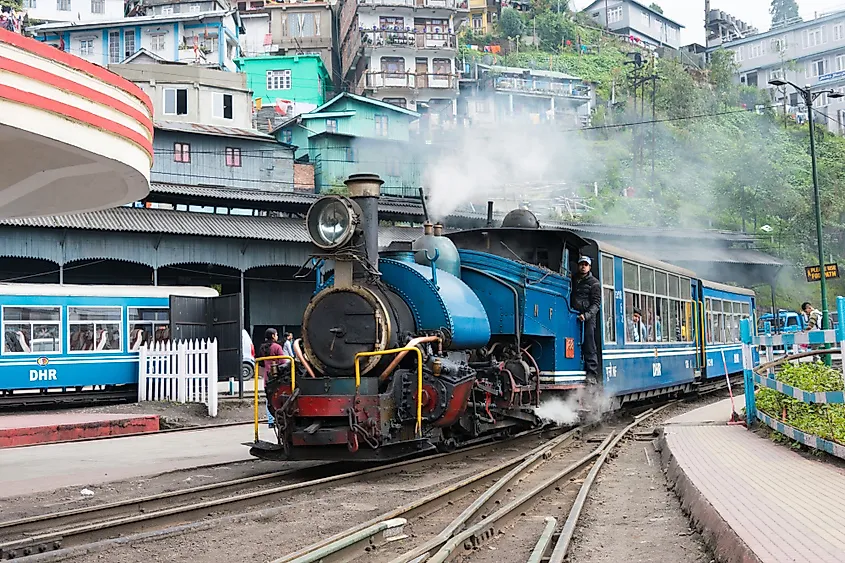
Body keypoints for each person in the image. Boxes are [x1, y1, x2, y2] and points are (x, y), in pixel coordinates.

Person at [571, 256, 601, 383]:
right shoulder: (573, 279)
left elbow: (596, 304)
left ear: (589, 267)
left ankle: (592, 374)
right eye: (581, 264)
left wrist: (587, 315)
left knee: (589, 342)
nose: (583, 266)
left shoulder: (594, 283)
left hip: (588, 317)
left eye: (585, 264)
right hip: (573, 314)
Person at [259, 328, 285, 429]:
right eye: (276, 334)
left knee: (269, 399)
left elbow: (261, 363)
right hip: (277, 378)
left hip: (266, 378)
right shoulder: (277, 347)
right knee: (278, 399)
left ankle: (270, 420)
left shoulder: (262, 348)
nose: (277, 336)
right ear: (273, 336)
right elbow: (283, 361)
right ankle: (278, 418)